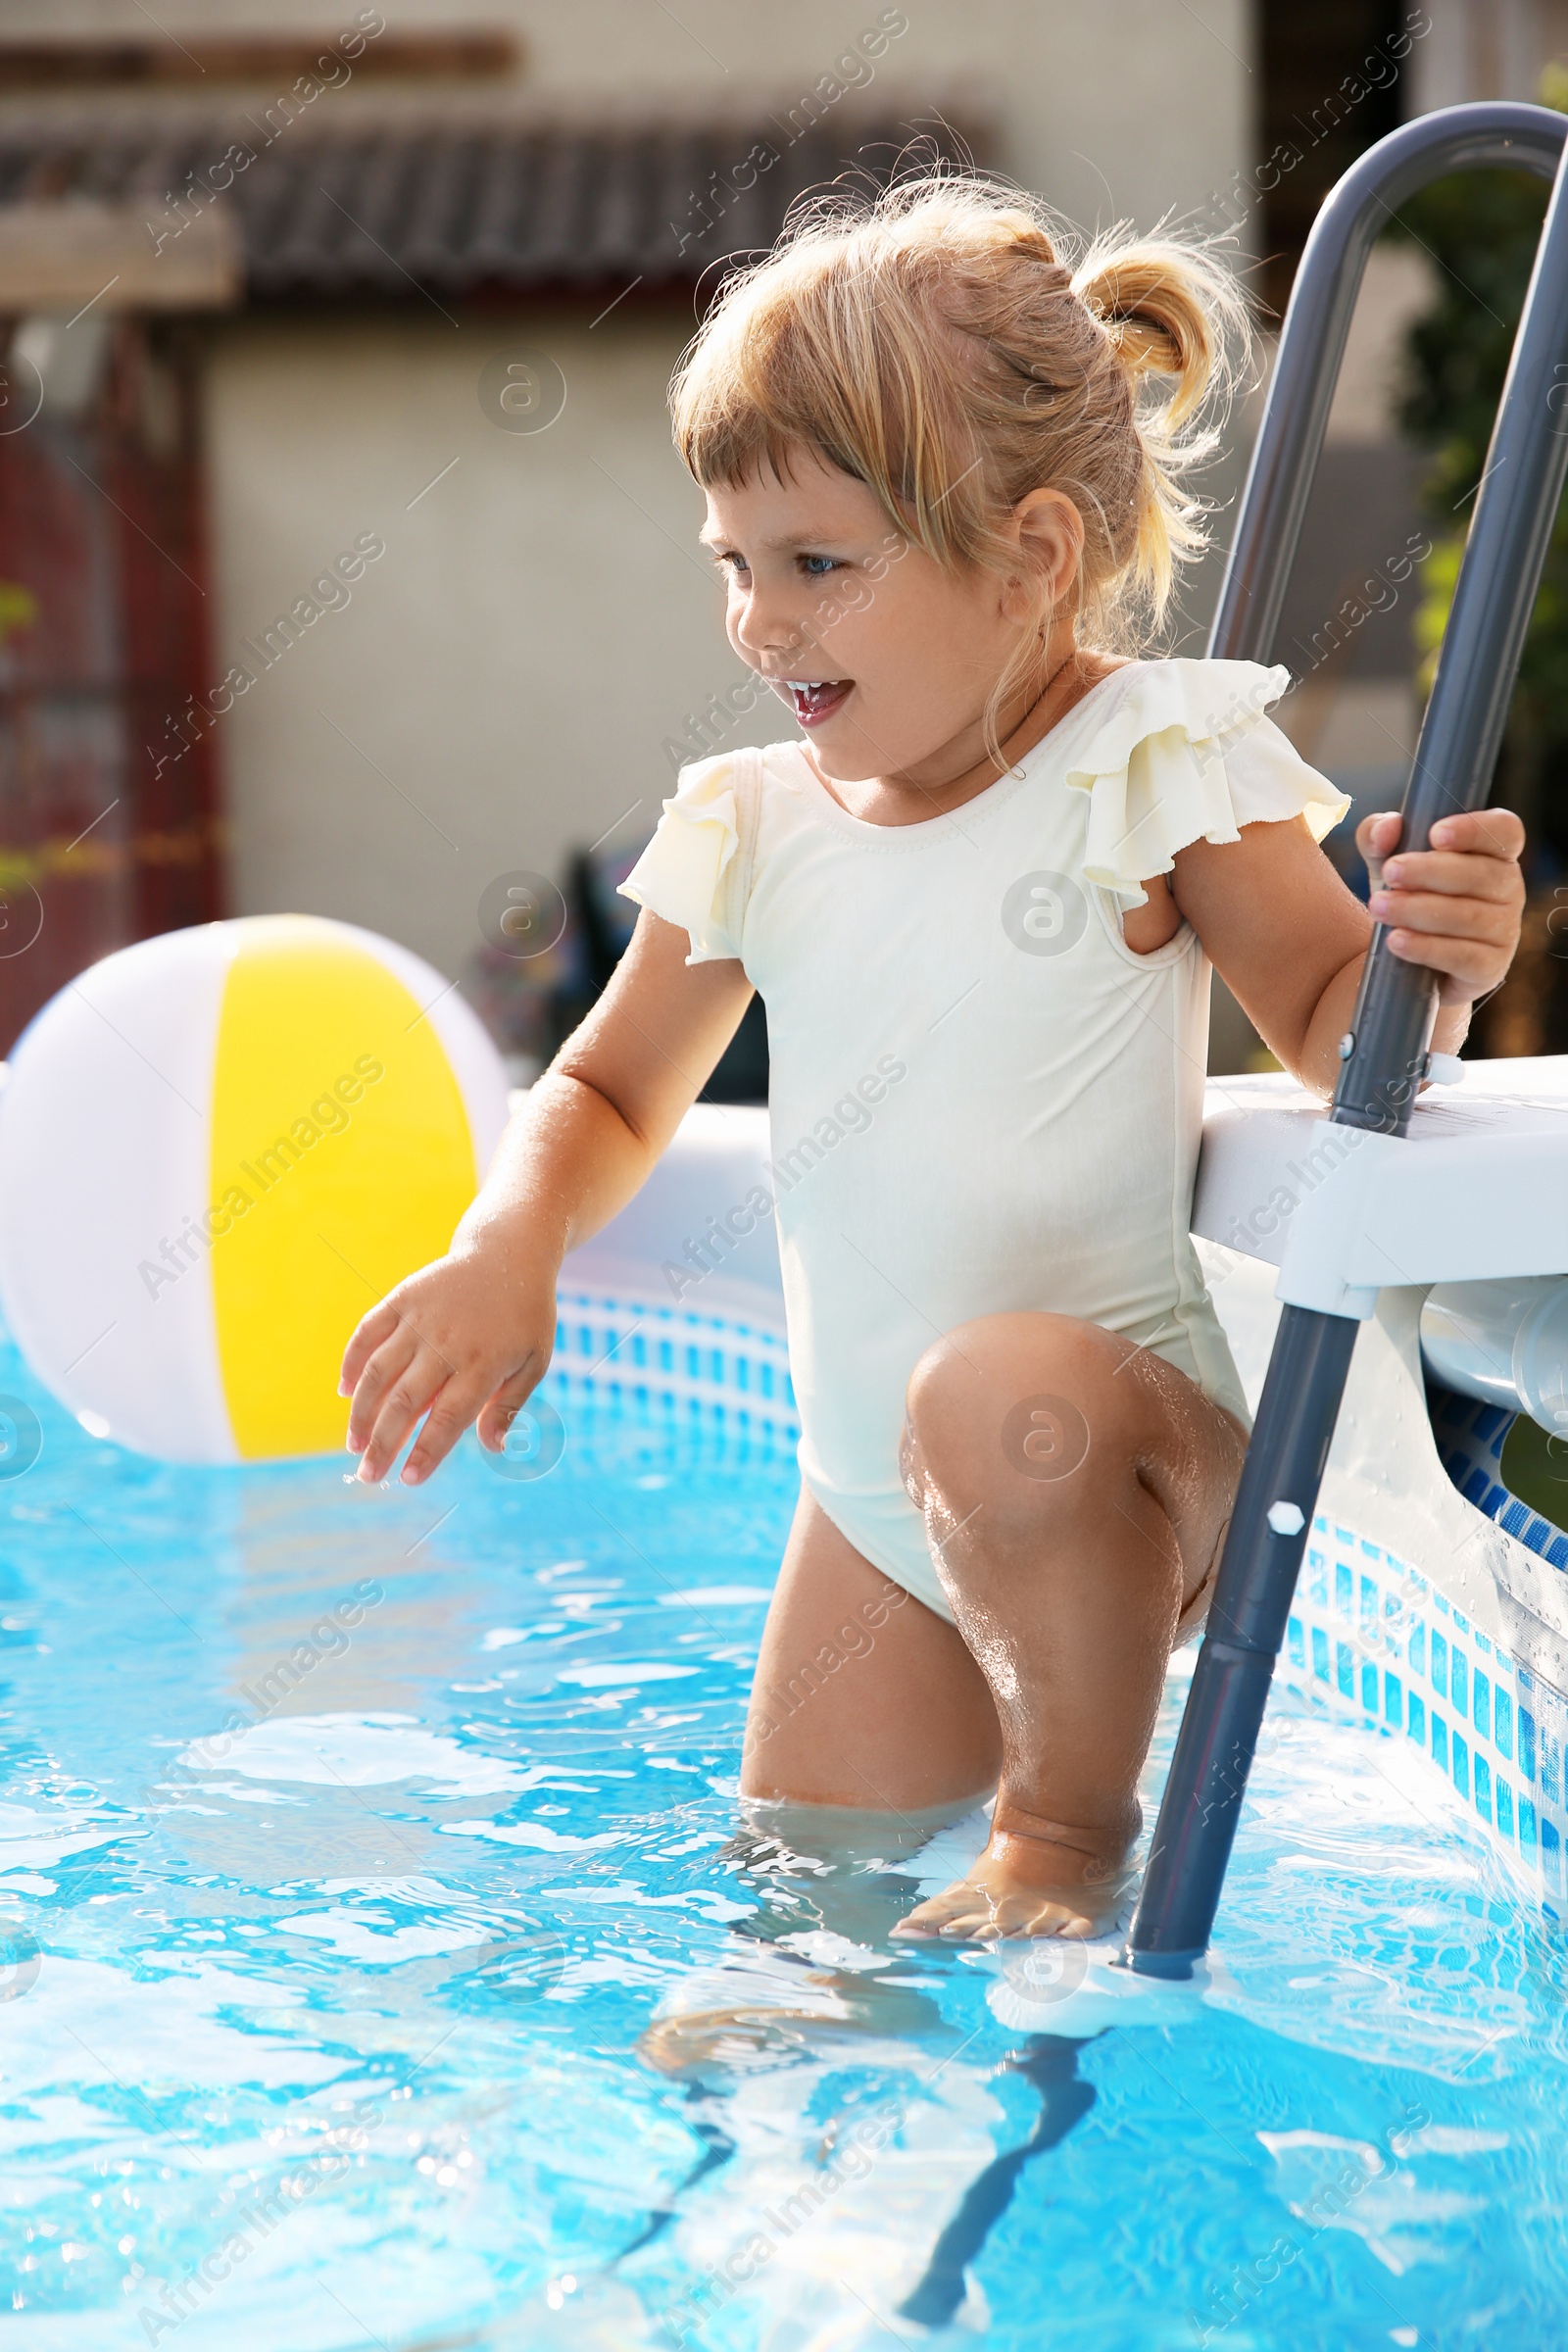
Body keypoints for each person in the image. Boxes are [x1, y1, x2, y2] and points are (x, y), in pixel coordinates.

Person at [339, 176, 1525, 1943]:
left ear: (1036, 557)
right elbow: (599, 1087)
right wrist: (510, 1245)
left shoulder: (1154, 762)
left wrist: (1446, 961)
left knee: (983, 1403)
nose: (761, 621)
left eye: (819, 564)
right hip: (869, 1515)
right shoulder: (747, 827)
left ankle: (1063, 1834)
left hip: (1114, 1464)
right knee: (801, 1929)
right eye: (736, 566)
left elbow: (1339, 1025)